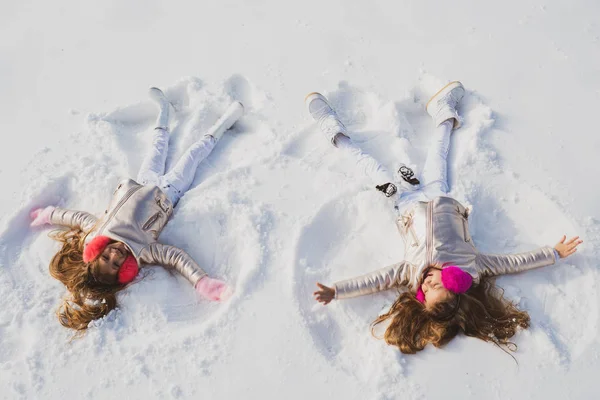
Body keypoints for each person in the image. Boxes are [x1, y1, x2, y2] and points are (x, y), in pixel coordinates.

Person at [307, 82, 583, 354]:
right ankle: (443, 114)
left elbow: (375, 280)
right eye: (436, 285)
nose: (426, 284)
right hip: (440, 196)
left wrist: (337, 290)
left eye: (425, 292)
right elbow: (513, 263)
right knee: (438, 153)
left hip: (405, 206)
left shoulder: (411, 271)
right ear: (454, 280)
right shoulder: (473, 265)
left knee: (370, 167)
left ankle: (333, 130)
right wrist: (553, 253)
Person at [30, 88, 244, 331]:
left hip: (141, 181)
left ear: (97, 252)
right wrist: (203, 282)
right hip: (168, 192)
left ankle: (164, 109)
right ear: (124, 271)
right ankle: (226, 121)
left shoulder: (97, 232)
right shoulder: (143, 252)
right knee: (193, 154)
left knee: (158, 145)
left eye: (106, 257)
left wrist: (48, 215)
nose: (115, 255)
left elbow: (76, 217)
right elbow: (175, 257)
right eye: (115, 265)